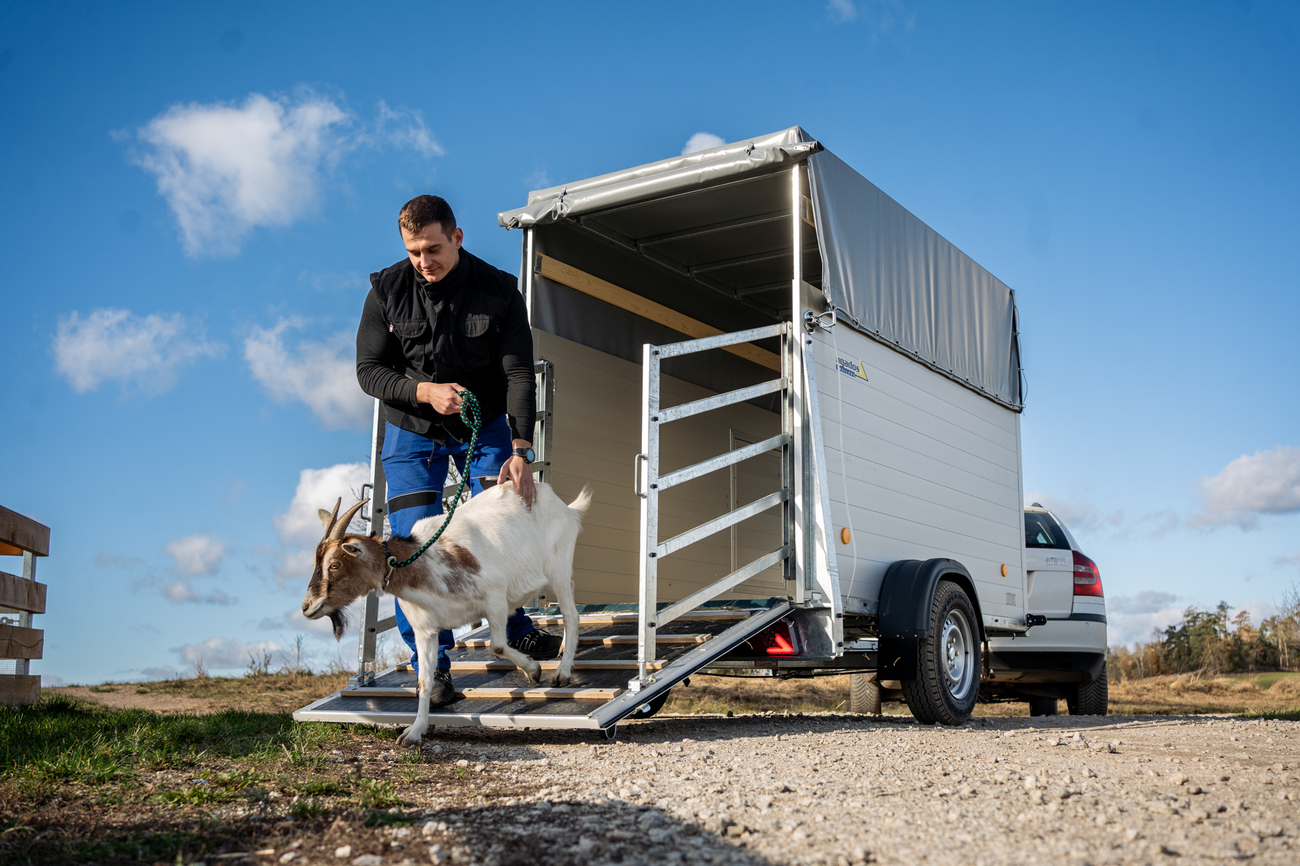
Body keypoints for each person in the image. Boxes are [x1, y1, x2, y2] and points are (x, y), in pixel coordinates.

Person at [355, 194, 561, 706]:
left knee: (502, 521)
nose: (424, 262)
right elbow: (369, 371)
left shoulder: (499, 291)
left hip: (485, 422)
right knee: (407, 547)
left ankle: (513, 625)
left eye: (432, 248)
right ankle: (434, 669)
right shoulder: (385, 290)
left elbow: (517, 373)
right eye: (413, 252)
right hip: (411, 429)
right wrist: (425, 391)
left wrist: (521, 447)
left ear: (457, 237)